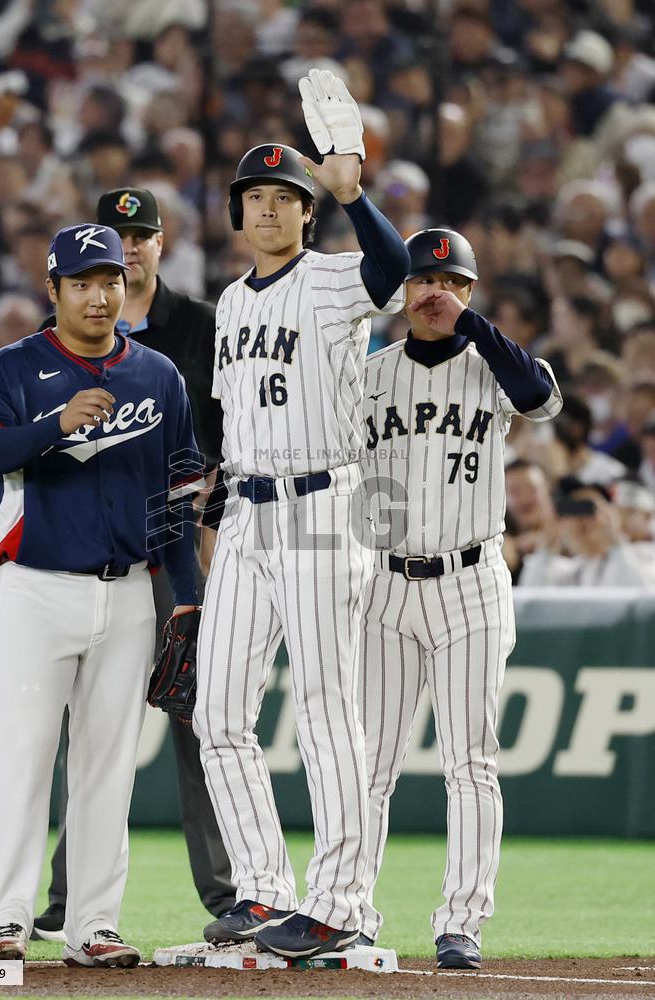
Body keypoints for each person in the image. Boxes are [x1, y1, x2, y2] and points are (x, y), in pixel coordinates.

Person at [193, 69, 410, 960]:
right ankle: (262, 889)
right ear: (238, 215)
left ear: (305, 212)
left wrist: (357, 196)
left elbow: (393, 274)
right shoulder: (230, 306)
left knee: (326, 709)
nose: (270, 209)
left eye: (286, 196)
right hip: (248, 511)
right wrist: (211, 518)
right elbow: (229, 423)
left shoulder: (331, 280)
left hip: (327, 504)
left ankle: (342, 901)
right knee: (216, 714)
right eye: (256, 197)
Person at [0, 223, 203, 965]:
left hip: (128, 591)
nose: (100, 296)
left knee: (106, 765)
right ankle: (7, 920)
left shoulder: (158, 375)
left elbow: (177, 496)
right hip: (34, 587)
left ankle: (92, 925)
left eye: (111, 282)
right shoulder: (16, 365)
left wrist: (187, 599)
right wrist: (51, 425)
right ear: (54, 290)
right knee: (26, 755)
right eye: (83, 283)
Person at [30, 187, 234, 944]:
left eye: (141, 234)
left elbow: (234, 440)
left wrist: (211, 531)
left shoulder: (205, 327)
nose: (131, 246)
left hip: (183, 547)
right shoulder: (54, 343)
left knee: (199, 718)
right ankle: (66, 897)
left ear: (158, 243)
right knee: (84, 727)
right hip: (95, 558)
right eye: (116, 237)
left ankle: (229, 895)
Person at [358, 228, 563, 968]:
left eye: (449, 282)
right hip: (381, 582)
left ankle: (461, 923)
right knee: (367, 763)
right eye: (419, 279)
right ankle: (350, 907)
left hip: (472, 581)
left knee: (469, 761)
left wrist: (469, 323)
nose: (432, 292)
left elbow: (541, 399)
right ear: (398, 290)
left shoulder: (494, 368)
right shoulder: (369, 373)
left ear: (471, 294)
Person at [518, 478, 655, 587]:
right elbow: (532, 601)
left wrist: (616, 544)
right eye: (573, 510)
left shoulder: (644, 555)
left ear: (612, 514)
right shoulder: (566, 570)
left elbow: (641, 597)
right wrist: (546, 546)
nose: (582, 521)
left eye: (588, 508)